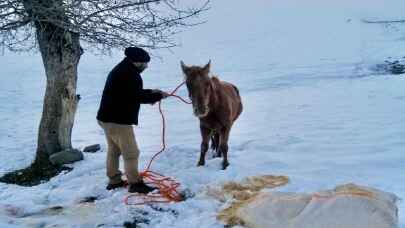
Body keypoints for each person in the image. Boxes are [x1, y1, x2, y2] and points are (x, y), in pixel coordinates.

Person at [97, 47, 169, 193]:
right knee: (131, 153)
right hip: (118, 121)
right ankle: (135, 184)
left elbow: (131, 92)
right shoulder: (130, 74)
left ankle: (114, 180)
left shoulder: (123, 69)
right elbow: (137, 97)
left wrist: (152, 92)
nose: (146, 66)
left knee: (114, 150)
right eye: (144, 63)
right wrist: (158, 96)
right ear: (136, 62)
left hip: (106, 118)